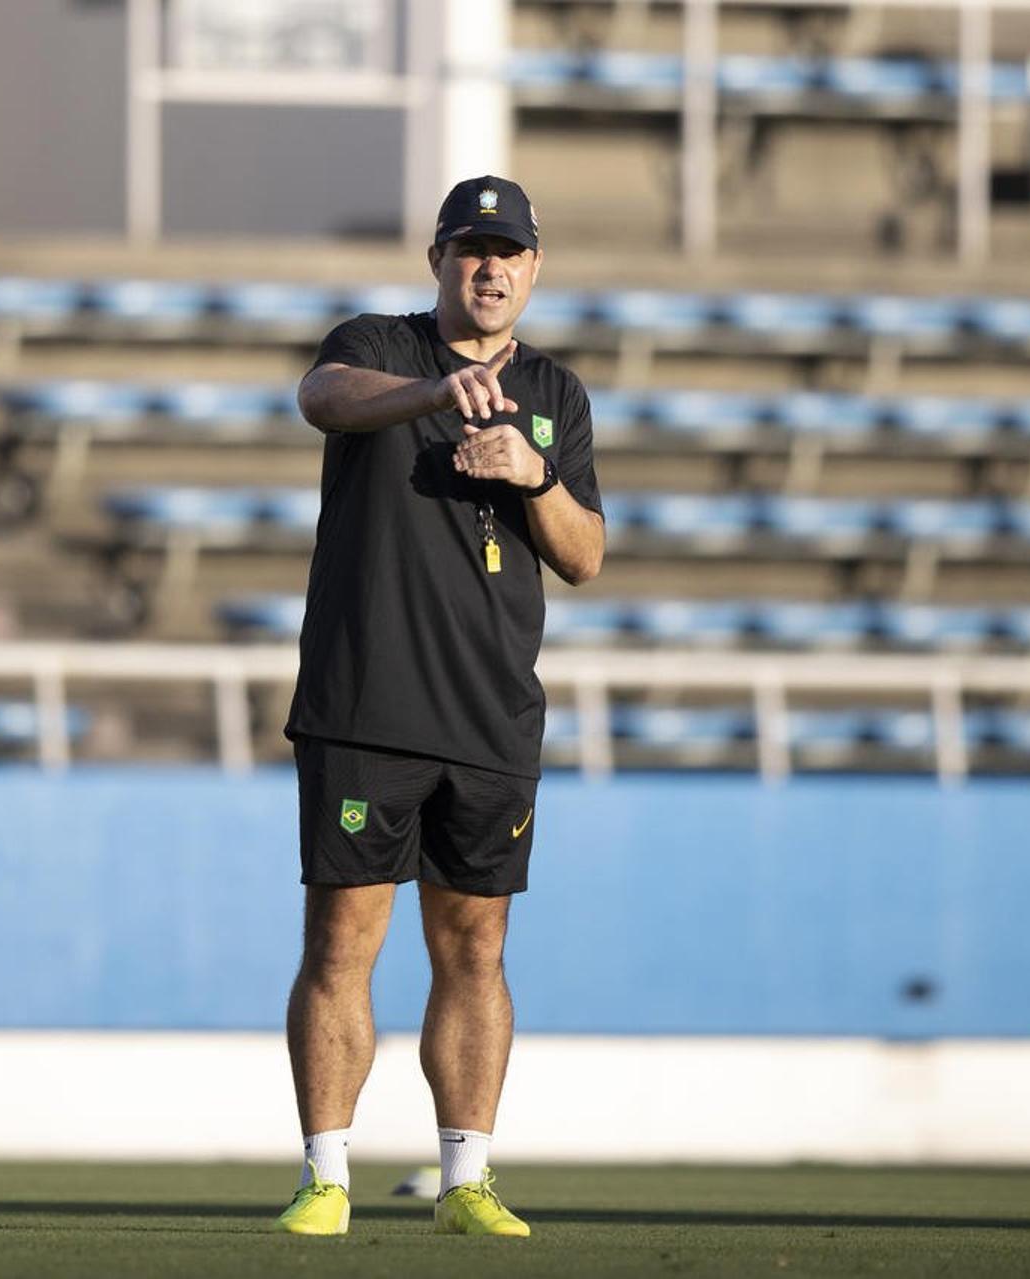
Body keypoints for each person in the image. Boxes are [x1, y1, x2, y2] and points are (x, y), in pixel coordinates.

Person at [272, 175, 605, 1239]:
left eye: (509, 251)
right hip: (366, 704)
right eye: (472, 248)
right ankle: (328, 1177)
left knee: (476, 949)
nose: (491, 267)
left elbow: (587, 555)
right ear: (438, 260)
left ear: (536, 269)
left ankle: (467, 1178)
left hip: (492, 717)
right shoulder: (379, 343)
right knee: (343, 944)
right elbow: (320, 399)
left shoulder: (556, 392)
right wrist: (428, 400)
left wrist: (532, 470)